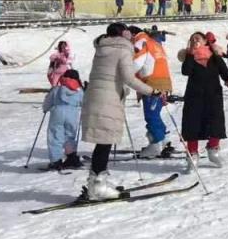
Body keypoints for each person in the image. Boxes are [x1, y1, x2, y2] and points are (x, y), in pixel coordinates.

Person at [81, 23, 161, 200]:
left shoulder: (102, 48)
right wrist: (152, 90)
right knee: (105, 143)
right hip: (109, 99)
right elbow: (128, 77)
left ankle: (96, 182)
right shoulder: (123, 49)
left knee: (102, 143)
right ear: (123, 34)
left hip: (95, 96)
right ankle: (98, 187)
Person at [179, 32, 228, 171]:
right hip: (194, 97)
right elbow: (186, 71)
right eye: (192, 39)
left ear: (205, 41)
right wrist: (191, 52)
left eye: (198, 38)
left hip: (213, 97)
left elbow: (226, 77)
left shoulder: (214, 57)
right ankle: (192, 155)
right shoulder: (190, 57)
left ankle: (213, 149)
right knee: (192, 125)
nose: (195, 40)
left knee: (216, 124)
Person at [130, 25, 174, 159]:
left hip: (152, 82)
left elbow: (137, 63)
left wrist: (124, 71)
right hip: (163, 81)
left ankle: (156, 144)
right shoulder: (154, 42)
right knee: (155, 114)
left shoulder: (141, 40)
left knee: (151, 116)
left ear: (133, 34)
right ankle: (164, 141)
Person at [41, 69, 84, 171]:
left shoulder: (57, 89)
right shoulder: (79, 91)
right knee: (70, 134)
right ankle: (71, 156)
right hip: (72, 113)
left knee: (55, 135)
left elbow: (48, 101)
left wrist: (45, 109)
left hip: (58, 112)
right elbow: (84, 102)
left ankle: (56, 160)